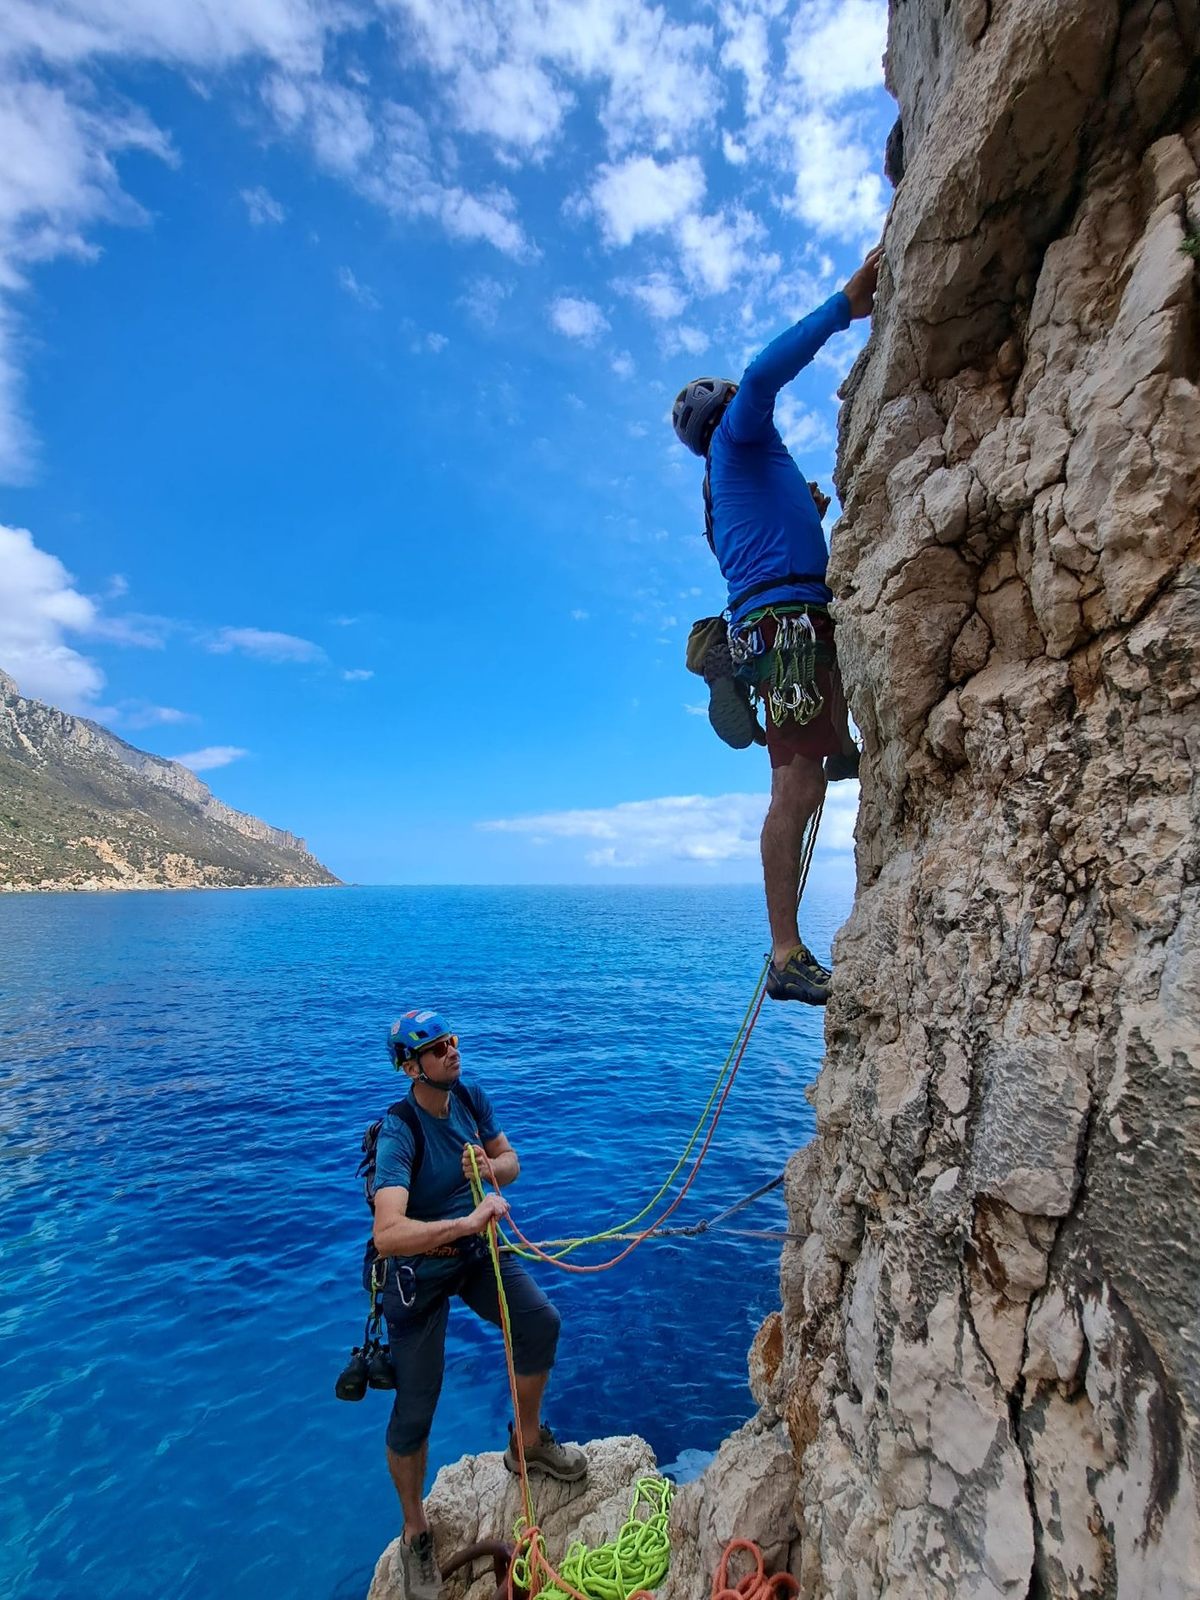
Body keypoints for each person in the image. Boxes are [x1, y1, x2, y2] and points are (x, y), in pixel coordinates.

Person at [672, 247, 883, 1007]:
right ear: (723, 406)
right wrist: (844, 305)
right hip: (790, 630)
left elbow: (761, 546)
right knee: (792, 785)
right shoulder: (741, 434)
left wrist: (811, 516)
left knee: (806, 773)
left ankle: (840, 743)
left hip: (782, 626)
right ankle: (787, 953)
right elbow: (764, 376)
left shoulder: (723, 487)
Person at [371, 1008, 586, 1600]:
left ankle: (527, 1442)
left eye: (453, 1042)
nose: (452, 1053)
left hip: (472, 1253)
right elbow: (387, 1233)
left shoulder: (468, 1097)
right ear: (412, 1067)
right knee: (418, 1404)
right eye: (438, 1049)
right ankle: (416, 1530)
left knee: (539, 1322)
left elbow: (512, 1164)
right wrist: (466, 1219)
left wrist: (491, 1169)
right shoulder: (399, 1131)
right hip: (418, 1273)